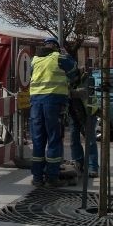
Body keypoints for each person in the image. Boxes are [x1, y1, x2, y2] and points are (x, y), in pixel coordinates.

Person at [29, 37, 76, 188]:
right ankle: (52, 177)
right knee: (54, 139)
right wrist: (66, 55)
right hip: (54, 102)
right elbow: (74, 72)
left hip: (36, 103)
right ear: (56, 47)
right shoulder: (59, 57)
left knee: (38, 140)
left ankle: (37, 178)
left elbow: (30, 77)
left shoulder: (34, 60)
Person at [68, 66, 99, 181]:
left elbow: (84, 92)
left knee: (90, 141)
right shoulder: (67, 79)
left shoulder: (88, 78)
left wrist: (68, 91)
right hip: (74, 113)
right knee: (73, 140)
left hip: (88, 113)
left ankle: (93, 168)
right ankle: (78, 164)